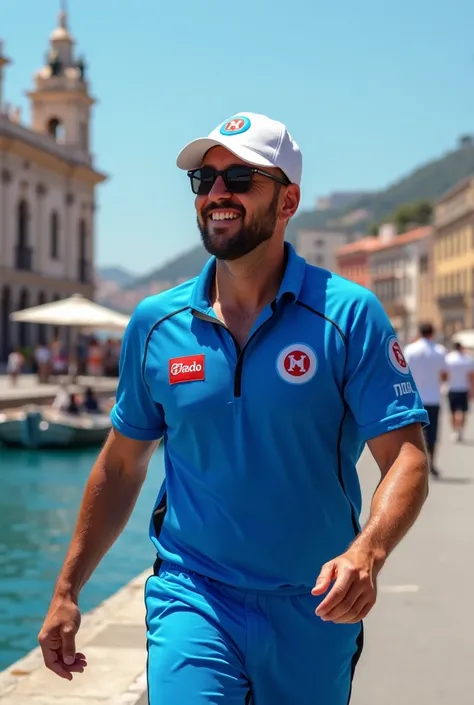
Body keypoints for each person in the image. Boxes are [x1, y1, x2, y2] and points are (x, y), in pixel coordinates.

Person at [38, 112, 430, 704]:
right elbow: (121, 466)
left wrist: (367, 551)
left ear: (289, 199)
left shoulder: (349, 316)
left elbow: (406, 459)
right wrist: (68, 589)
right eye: (205, 179)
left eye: (241, 177)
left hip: (315, 604)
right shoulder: (155, 324)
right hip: (193, 596)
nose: (218, 193)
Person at [404, 323, 447, 478]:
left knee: (414, 433)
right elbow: (444, 375)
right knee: (433, 433)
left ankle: (414, 465)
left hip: (414, 398)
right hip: (433, 397)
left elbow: (403, 372)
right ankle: (431, 463)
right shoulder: (440, 351)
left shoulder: (410, 349)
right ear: (433, 332)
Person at [445, 341, 474, 442]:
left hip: (452, 388)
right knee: (463, 412)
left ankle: (455, 430)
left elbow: (445, 374)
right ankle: (460, 430)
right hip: (464, 388)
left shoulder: (448, 358)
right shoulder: (468, 359)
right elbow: (471, 377)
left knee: (453, 411)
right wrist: (472, 390)